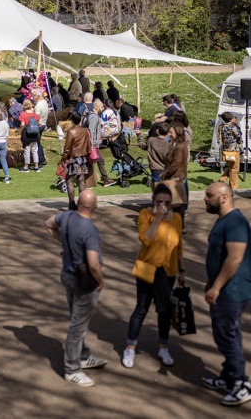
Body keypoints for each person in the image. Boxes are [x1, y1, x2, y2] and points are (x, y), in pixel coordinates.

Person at [46, 189, 106, 387]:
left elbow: (49, 224)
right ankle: (72, 368)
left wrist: (64, 242)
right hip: (84, 282)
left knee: (77, 319)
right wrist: (99, 281)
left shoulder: (67, 216)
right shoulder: (90, 230)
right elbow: (94, 264)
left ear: (79, 202)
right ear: (95, 207)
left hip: (68, 276)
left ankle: (82, 355)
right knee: (77, 327)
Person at [122, 183, 185, 369]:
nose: (163, 206)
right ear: (153, 201)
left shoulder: (177, 219)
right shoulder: (145, 215)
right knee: (141, 308)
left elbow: (179, 247)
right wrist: (157, 219)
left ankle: (163, 346)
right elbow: (146, 239)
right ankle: (130, 347)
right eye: (159, 202)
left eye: (166, 202)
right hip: (146, 270)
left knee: (164, 310)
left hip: (168, 271)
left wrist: (182, 271)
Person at [203, 182, 251, 406]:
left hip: (232, 291)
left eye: (209, 195)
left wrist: (216, 287)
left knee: (226, 335)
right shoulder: (224, 220)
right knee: (228, 333)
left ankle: (241, 383)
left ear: (224, 198)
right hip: (225, 289)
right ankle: (228, 376)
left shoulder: (236, 223)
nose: (205, 198)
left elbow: (234, 258)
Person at [81, 95, 116, 187]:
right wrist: (92, 144)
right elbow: (90, 131)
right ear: (96, 107)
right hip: (93, 144)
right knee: (96, 161)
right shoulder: (94, 117)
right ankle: (104, 180)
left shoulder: (90, 114)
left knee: (95, 161)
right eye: (101, 107)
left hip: (92, 144)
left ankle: (100, 179)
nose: (103, 108)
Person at [61, 112, 92, 210]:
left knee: (69, 179)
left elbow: (67, 148)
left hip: (74, 158)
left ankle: (71, 203)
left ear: (72, 120)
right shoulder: (85, 130)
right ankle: (82, 203)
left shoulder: (71, 131)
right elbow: (88, 145)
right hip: (83, 157)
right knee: (81, 180)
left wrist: (64, 158)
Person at [161, 123, 189, 227]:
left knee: (176, 204)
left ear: (177, 133)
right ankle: (178, 225)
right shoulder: (178, 145)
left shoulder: (179, 147)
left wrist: (166, 173)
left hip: (176, 177)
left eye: (171, 132)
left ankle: (178, 225)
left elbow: (176, 163)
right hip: (177, 176)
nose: (169, 134)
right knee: (176, 203)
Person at [219, 114, 242, 191]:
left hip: (225, 151)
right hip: (234, 151)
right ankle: (234, 188)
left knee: (230, 167)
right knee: (234, 170)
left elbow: (220, 138)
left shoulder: (221, 127)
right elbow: (239, 137)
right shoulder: (233, 127)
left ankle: (222, 179)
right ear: (231, 118)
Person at [18, 99, 40, 173]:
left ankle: (26, 167)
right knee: (35, 150)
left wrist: (20, 128)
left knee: (27, 150)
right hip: (35, 134)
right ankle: (36, 166)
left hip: (27, 134)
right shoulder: (35, 115)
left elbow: (23, 124)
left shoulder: (23, 114)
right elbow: (38, 123)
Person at [33, 89, 49, 167]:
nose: (33, 97)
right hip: (43, 123)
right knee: (38, 142)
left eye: (34, 95)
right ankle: (42, 159)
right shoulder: (44, 102)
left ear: (38, 96)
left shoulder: (38, 106)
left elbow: (36, 118)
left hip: (39, 125)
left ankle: (40, 161)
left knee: (36, 144)